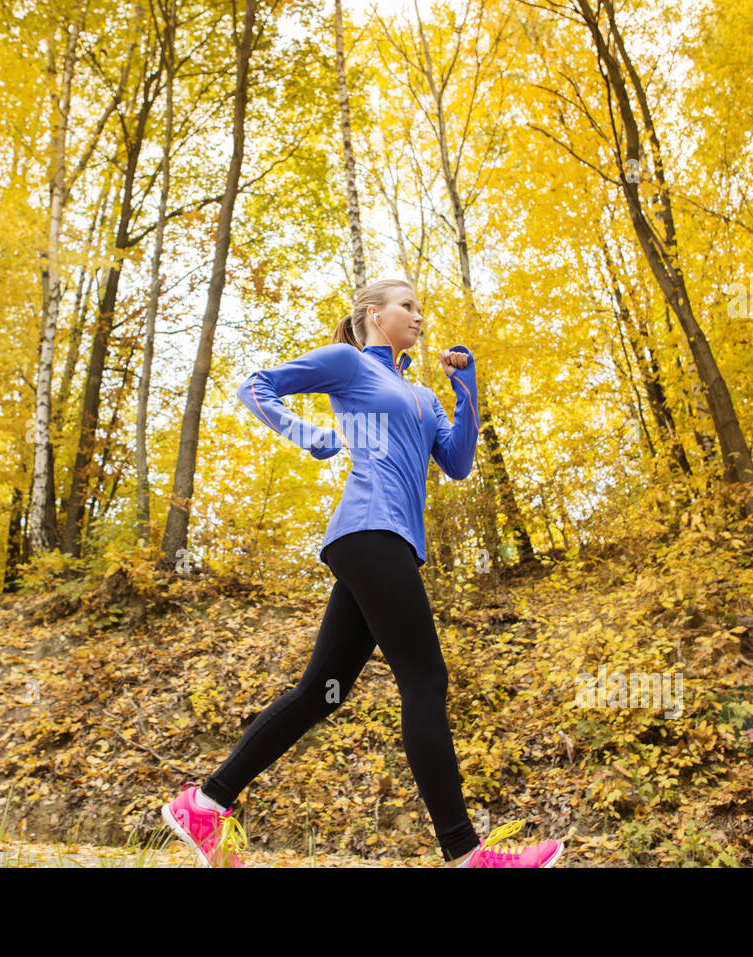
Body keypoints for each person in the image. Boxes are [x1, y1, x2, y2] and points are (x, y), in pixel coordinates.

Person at [160, 279, 565, 868]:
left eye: (422, 308)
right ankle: (466, 854)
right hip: (367, 532)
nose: (419, 316)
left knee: (322, 692)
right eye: (408, 306)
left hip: (386, 544)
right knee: (425, 680)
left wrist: (465, 387)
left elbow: (457, 462)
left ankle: (206, 802)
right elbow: (257, 386)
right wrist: (314, 436)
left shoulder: (423, 396)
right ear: (374, 314)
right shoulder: (349, 364)